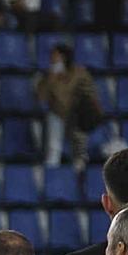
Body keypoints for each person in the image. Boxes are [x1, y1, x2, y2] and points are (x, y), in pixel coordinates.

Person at [37, 42, 100, 171]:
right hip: (57, 113)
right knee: (54, 148)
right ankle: (52, 174)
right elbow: (41, 97)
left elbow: (89, 93)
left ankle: (80, 177)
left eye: (55, 55)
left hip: (77, 114)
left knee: (79, 153)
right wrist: (51, 78)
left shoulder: (80, 73)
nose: (52, 58)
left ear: (64, 57)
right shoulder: (47, 75)